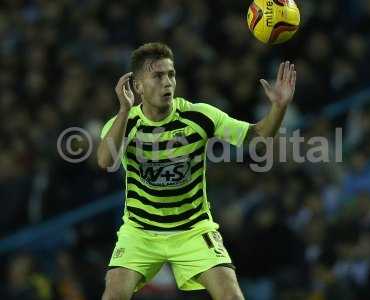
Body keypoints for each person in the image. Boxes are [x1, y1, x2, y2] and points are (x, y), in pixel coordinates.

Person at [97, 42, 296, 300]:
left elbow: (258, 135)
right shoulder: (124, 123)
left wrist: (279, 108)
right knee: (113, 294)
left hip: (193, 229)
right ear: (137, 86)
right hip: (140, 231)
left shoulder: (199, 116)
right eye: (157, 76)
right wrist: (124, 109)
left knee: (232, 296)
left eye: (171, 74)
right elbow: (105, 161)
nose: (167, 82)